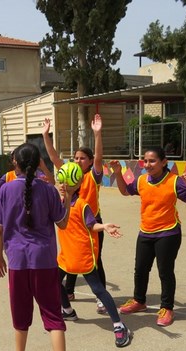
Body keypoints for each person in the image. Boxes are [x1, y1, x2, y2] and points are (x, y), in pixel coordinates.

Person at [0, 142, 79, 351]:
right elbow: (62, 224)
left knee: (20, 316)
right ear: (38, 162)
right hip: (44, 260)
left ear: (15, 164)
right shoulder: (50, 190)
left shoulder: (6, 189)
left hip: (18, 261)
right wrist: (69, 198)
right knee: (53, 317)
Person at [109, 147, 186, 327]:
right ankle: (139, 301)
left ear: (164, 162)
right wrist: (118, 173)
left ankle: (167, 308)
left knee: (165, 271)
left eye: (152, 161)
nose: (147, 164)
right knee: (140, 269)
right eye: (145, 161)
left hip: (168, 232)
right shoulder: (142, 180)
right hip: (146, 231)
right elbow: (125, 191)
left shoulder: (174, 181)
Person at [55, 176, 131, 348]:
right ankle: (68, 311)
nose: (62, 185)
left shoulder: (82, 204)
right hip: (66, 255)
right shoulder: (57, 204)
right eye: (60, 182)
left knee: (98, 289)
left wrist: (104, 227)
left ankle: (119, 324)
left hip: (83, 255)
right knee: (53, 281)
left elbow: (91, 224)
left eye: (66, 183)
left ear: (76, 186)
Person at [43, 114, 107, 313]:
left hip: (91, 222)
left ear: (88, 162)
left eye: (82, 158)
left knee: (95, 261)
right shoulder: (68, 172)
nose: (78, 161)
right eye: (76, 158)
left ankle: (100, 297)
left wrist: (97, 134)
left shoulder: (93, 176)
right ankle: (68, 292)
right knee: (69, 257)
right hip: (69, 219)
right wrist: (46, 135)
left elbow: (98, 158)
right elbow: (53, 157)